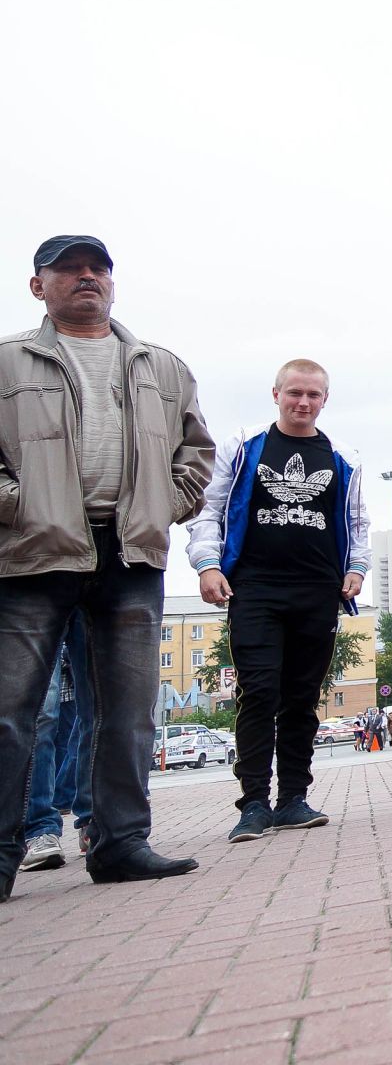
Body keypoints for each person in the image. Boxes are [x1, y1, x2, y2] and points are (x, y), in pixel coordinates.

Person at [0, 234, 215, 898]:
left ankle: (120, 844)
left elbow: (196, 452)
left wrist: (161, 507)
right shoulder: (7, 363)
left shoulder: (162, 366)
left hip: (129, 553)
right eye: (69, 269)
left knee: (126, 713)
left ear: (113, 285)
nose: (87, 277)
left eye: (98, 268)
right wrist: (19, 505)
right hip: (33, 554)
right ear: (39, 286)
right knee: (10, 710)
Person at [188, 358, 371, 843]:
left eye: (313, 395)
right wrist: (207, 563)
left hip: (318, 590)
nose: (303, 403)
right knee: (260, 691)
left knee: (301, 697)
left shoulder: (342, 456)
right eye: (294, 393)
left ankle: (293, 798)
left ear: (325, 400)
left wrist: (356, 568)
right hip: (254, 589)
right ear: (276, 394)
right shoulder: (244, 445)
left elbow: (357, 524)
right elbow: (209, 506)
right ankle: (253, 804)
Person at [21, 620, 93, 873]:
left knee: (96, 710)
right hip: (37, 588)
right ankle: (39, 830)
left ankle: (93, 822)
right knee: (41, 714)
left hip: (94, 587)